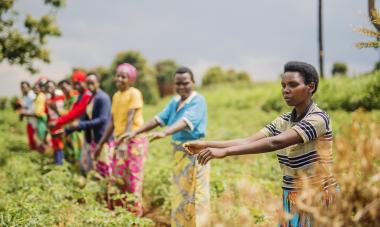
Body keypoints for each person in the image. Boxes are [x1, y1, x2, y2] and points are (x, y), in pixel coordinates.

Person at [185, 61, 338, 227]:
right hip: (292, 195)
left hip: (318, 196)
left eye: (293, 85)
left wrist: (226, 152)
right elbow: (247, 141)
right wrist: (206, 144)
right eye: (283, 85)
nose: (286, 90)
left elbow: (275, 142)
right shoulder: (284, 120)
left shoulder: (318, 119)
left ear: (311, 87)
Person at [121, 66, 209, 226]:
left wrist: (165, 132)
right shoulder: (175, 101)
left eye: (185, 83)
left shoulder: (198, 100)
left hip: (194, 151)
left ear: (194, 83)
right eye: (178, 84)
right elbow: (158, 119)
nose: (181, 87)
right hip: (178, 152)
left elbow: (186, 122)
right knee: (179, 192)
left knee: (195, 194)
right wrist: (135, 132)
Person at [94, 63, 148, 216]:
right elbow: (112, 122)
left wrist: (124, 142)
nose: (119, 79)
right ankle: (119, 212)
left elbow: (130, 118)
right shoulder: (116, 96)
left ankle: (135, 216)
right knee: (117, 177)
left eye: (124, 76)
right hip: (120, 140)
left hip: (134, 140)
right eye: (118, 75)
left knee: (132, 177)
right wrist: (100, 144)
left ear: (131, 80)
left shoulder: (134, 93)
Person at [65, 74, 111, 176]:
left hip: (101, 137)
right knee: (88, 167)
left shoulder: (103, 98)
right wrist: (71, 128)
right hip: (90, 137)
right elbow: (86, 116)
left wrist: (81, 124)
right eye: (88, 83)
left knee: (103, 168)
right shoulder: (91, 97)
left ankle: (105, 190)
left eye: (92, 83)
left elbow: (102, 119)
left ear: (98, 83)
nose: (90, 85)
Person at [58, 79, 82, 164]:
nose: (64, 90)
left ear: (70, 86)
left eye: (65, 87)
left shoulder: (76, 98)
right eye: (62, 89)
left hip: (75, 130)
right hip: (66, 129)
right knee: (68, 152)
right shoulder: (65, 100)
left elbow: (72, 114)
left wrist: (60, 112)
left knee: (77, 152)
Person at [44, 80, 65, 165]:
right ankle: (57, 163)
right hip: (52, 124)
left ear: (55, 87)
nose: (49, 89)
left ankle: (61, 163)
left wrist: (54, 108)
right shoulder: (48, 99)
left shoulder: (61, 97)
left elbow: (63, 113)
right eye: (47, 87)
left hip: (61, 122)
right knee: (55, 145)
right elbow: (48, 114)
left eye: (51, 86)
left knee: (61, 144)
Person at [19, 81, 37, 150]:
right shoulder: (25, 96)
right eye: (22, 87)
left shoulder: (31, 95)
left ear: (29, 87)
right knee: (31, 139)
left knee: (35, 139)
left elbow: (35, 109)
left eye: (24, 87)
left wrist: (25, 114)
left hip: (34, 120)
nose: (23, 89)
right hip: (29, 120)